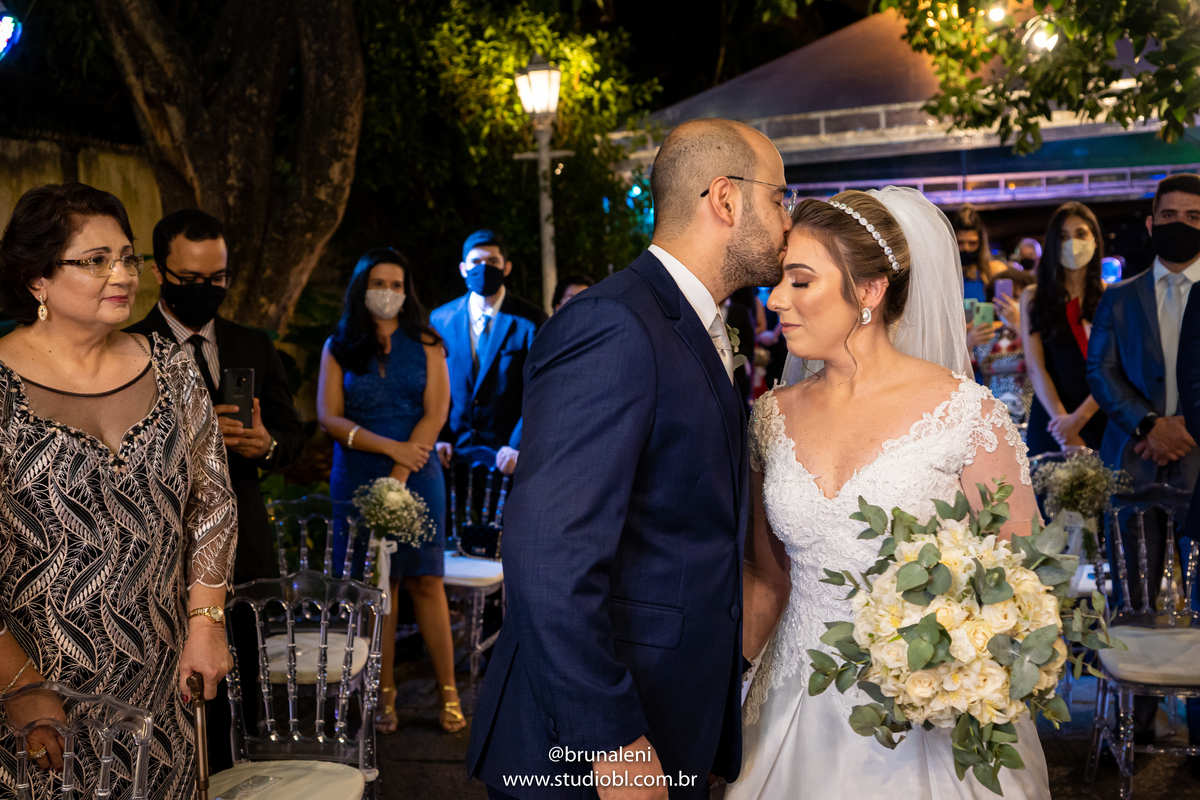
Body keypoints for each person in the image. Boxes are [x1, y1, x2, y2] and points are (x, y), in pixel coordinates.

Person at [467, 118, 794, 799]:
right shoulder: (614, 324)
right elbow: (549, 554)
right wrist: (610, 740)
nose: (788, 220)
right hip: (585, 749)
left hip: (672, 713)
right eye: (780, 198)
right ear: (726, 200)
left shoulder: (695, 326)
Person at [734, 188, 1049, 800]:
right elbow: (768, 579)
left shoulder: (966, 414)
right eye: (779, 281)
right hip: (792, 702)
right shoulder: (769, 417)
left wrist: (960, 658)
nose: (776, 301)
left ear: (870, 291)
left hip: (924, 718)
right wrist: (717, 688)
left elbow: (1027, 577)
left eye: (800, 282)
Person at [0, 183, 236, 797]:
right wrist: (19, 686)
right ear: (36, 280)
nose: (122, 275)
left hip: (165, 685)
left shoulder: (173, 367)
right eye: (95, 260)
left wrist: (206, 621)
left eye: (127, 257)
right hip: (39, 697)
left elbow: (211, 502)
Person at [317, 248, 459, 734]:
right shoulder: (338, 345)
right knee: (379, 589)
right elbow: (329, 416)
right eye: (380, 283)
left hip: (418, 473)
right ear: (362, 288)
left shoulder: (427, 342)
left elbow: (437, 410)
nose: (390, 293)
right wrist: (387, 448)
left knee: (426, 581)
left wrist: (401, 470)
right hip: (357, 471)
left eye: (398, 285)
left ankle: (449, 692)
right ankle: (384, 694)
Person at [1087, 173, 1200, 747]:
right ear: (1151, 223)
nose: (1180, 225)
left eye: (1194, 217)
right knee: (1132, 599)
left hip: (1199, 461)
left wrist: (1187, 430)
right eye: (1170, 215)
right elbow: (1100, 371)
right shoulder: (1119, 296)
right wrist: (1150, 425)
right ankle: (1135, 724)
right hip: (1133, 460)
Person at [431, 230, 545, 477]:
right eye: (476, 262)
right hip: (452, 456)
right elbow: (430, 384)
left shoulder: (530, 320)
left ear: (506, 267)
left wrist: (517, 445)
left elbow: (541, 389)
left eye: (492, 262)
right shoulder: (441, 320)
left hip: (508, 459)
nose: (484, 268)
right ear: (463, 268)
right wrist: (439, 437)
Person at [1020, 202, 1107, 456]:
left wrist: (1078, 420)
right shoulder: (1033, 296)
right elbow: (1036, 368)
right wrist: (1064, 427)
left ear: (1094, 240)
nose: (1072, 243)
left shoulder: (1112, 297)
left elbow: (1116, 369)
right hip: (1051, 418)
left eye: (1081, 234)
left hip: (1100, 413)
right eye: (1063, 236)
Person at [976, 267, 1036, 424]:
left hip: (1032, 417)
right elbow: (966, 375)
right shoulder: (988, 337)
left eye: (1017, 297)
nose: (1009, 303)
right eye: (1002, 297)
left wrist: (1018, 323)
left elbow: (1040, 362)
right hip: (994, 418)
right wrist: (968, 343)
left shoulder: (1037, 334)